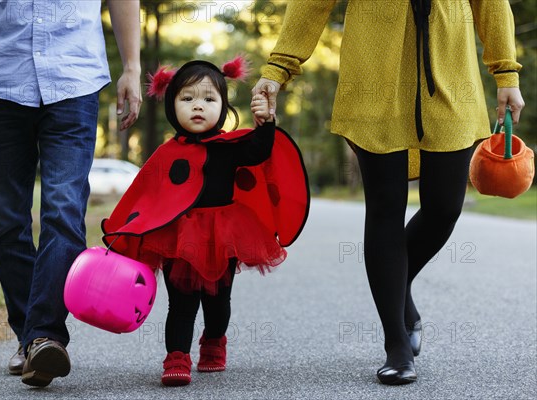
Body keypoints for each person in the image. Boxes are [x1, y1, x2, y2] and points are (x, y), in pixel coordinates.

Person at [252, 1, 525, 385]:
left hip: (451, 71)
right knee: (384, 207)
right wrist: (278, 69)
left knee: (445, 207)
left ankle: (398, 287)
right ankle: (396, 344)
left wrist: (506, 73)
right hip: (373, 76)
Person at [0, 0, 142, 387]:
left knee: (63, 211)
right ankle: (30, 334)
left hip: (74, 79)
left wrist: (131, 66)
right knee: (3, 223)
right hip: (0, 79)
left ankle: (44, 336)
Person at [101, 58, 309, 386]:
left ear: (223, 107)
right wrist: (125, 228)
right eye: (187, 99)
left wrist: (266, 122)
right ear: (172, 106)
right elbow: (146, 196)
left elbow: (257, 152)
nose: (198, 106)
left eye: (209, 99)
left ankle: (214, 343)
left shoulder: (228, 147)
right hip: (178, 236)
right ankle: (177, 357)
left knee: (218, 300)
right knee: (181, 302)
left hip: (222, 235)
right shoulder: (167, 153)